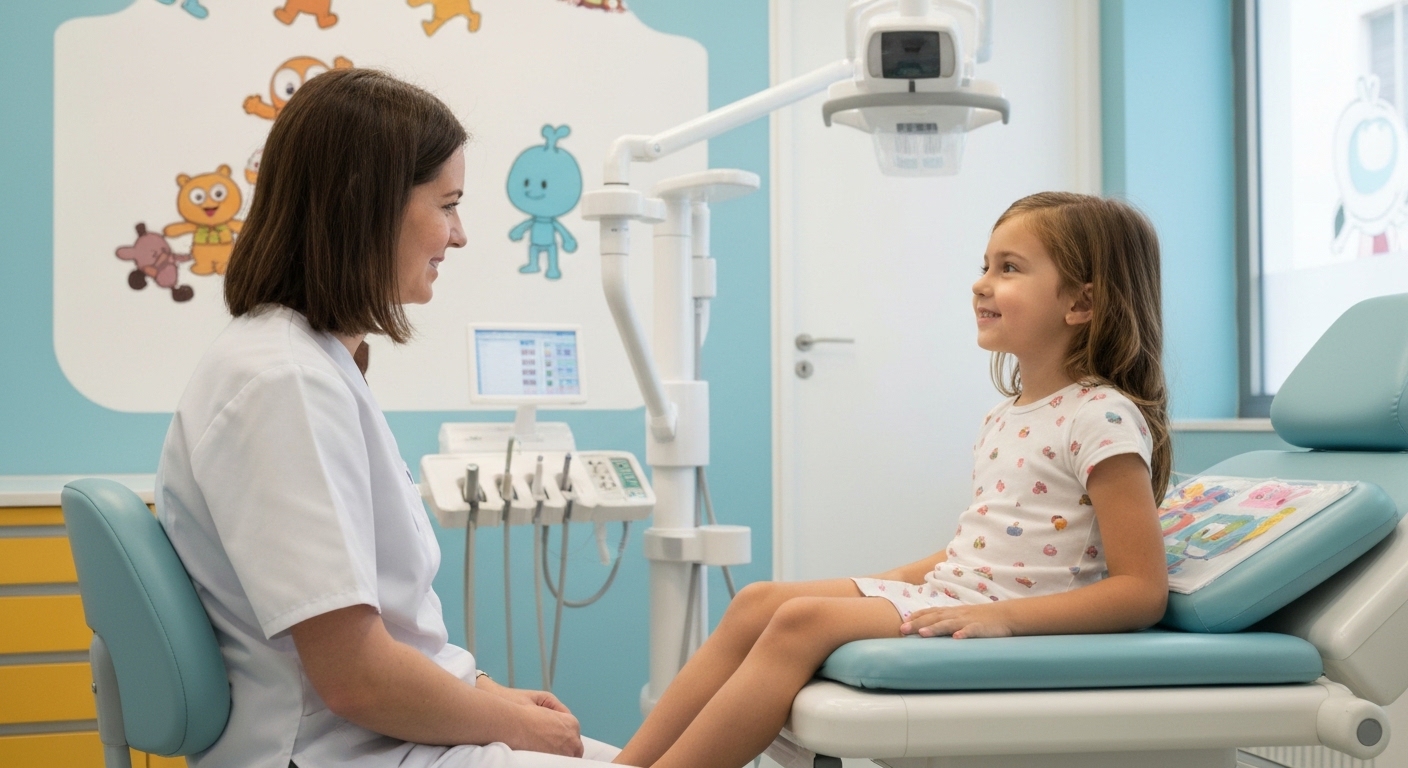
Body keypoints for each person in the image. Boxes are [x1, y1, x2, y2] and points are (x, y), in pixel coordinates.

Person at [155, 68, 619, 768]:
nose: (458, 236)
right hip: (345, 750)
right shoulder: (285, 382)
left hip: (382, 736)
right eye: (449, 204)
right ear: (368, 207)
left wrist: (488, 696)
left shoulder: (312, 362)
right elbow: (357, 677)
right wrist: (514, 727)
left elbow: (395, 636)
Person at [612, 192, 1173, 768]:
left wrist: (1000, 617)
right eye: (984, 266)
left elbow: (1141, 590)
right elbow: (989, 542)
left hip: (1007, 613)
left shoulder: (1100, 416)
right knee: (757, 600)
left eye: (1009, 268)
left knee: (801, 620)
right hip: (959, 594)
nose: (981, 283)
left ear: (1082, 303)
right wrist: (885, 581)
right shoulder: (1005, 415)